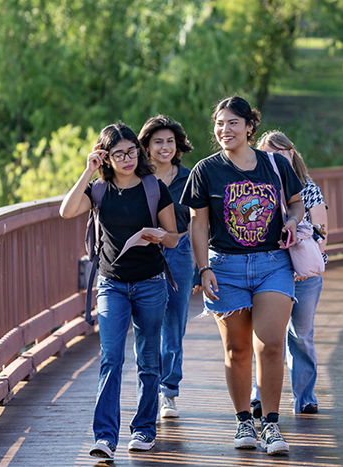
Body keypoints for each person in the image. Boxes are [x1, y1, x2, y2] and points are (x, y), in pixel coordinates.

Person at [181, 96, 304, 455]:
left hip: (272, 264)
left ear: (250, 127)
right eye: (219, 123)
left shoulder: (274, 164)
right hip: (225, 267)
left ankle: (271, 425)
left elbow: (296, 201)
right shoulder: (206, 170)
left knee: (270, 345)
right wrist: (203, 269)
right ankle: (242, 421)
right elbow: (198, 224)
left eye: (233, 123)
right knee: (237, 349)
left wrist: (293, 221)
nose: (224, 130)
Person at [59, 123, 179, 461]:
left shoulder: (154, 188)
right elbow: (66, 211)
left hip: (151, 283)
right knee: (111, 357)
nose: (127, 159)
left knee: (148, 358)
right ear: (105, 157)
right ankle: (105, 437)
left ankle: (143, 429)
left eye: (131, 152)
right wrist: (87, 171)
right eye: (118, 154)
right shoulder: (98, 190)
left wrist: (159, 236)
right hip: (111, 284)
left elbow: (174, 236)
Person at [252, 130, 328, 416]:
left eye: (282, 152)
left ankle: (305, 396)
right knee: (267, 336)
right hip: (268, 271)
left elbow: (322, 233)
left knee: (301, 335)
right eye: (269, 153)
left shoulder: (308, 188)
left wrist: (303, 253)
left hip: (303, 275)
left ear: (292, 154)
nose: (277, 158)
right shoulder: (256, 188)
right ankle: (258, 396)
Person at [138, 115, 195, 419]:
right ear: (146, 145)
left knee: (175, 324)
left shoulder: (190, 178)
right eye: (158, 141)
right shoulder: (138, 178)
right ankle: (149, 388)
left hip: (182, 252)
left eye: (170, 141)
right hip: (148, 254)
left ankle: (168, 392)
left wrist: (200, 266)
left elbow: (201, 224)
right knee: (149, 324)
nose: (165, 147)